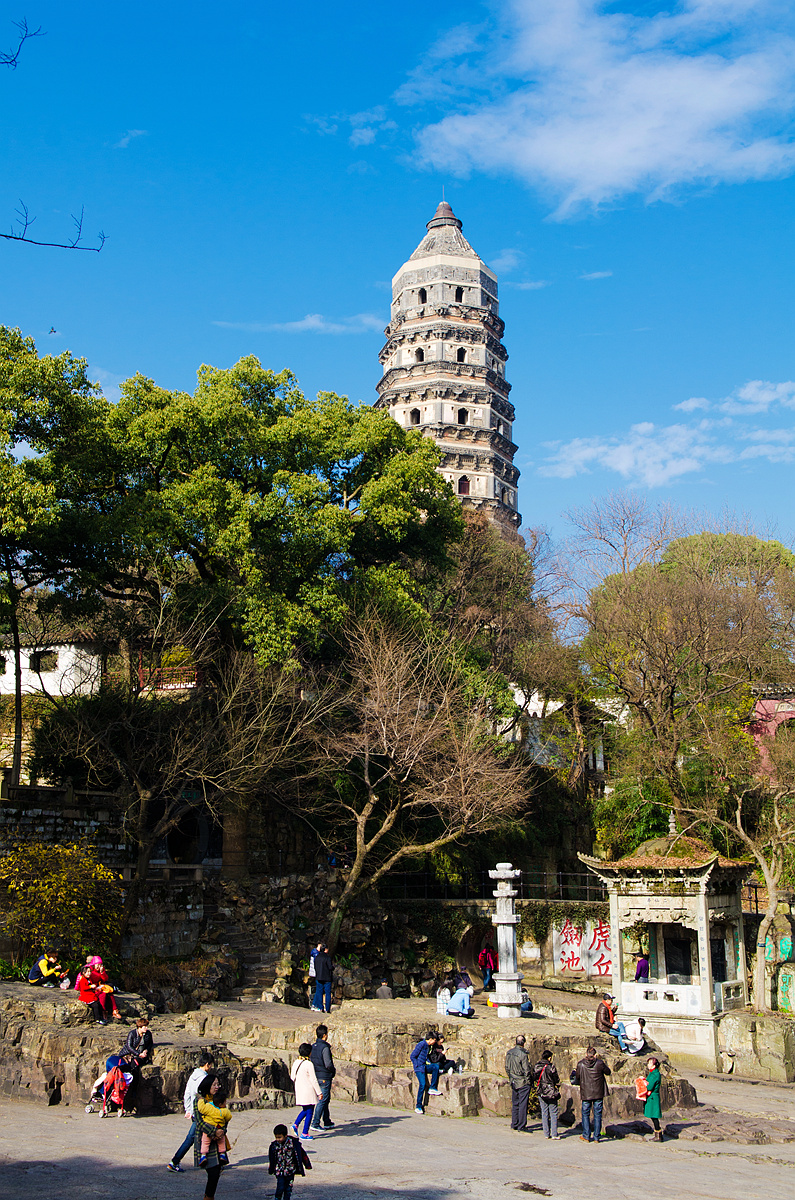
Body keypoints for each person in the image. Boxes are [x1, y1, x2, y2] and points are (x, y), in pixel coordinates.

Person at [168, 1053, 215, 1171]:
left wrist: (188, 1109)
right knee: (192, 1138)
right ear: (207, 1065)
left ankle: (206, 1161)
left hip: (195, 1111)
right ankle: (175, 1161)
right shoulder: (204, 1078)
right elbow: (206, 1097)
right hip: (202, 1113)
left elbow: (187, 1094)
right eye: (210, 1065)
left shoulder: (193, 1075)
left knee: (202, 1137)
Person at [194, 1075, 226, 1200]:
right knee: (212, 1172)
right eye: (214, 1084)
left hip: (219, 1140)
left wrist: (222, 1131)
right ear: (207, 1086)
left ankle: (209, 1196)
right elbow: (199, 1122)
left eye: (218, 1084)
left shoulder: (219, 1099)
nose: (217, 1087)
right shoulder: (199, 1101)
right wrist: (214, 1132)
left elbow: (225, 1116)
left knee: (216, 1171)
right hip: (205, 1140)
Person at [574, 1046, 612, 1143]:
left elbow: (577, 1076)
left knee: (585, 1113)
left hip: (586, 1092)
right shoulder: (599, 1063)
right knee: (597, 1114)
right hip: (598, 1092)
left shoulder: (581, 1064)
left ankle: (586, 1135)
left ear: (586, 1054)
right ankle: (596, 1137)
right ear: (595, 1055)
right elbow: (608, 1072)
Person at [268, 1122, 312, 1200]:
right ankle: (277, 1198)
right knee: (280, 1187)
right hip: (280, 1171)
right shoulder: (274, 1146)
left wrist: (307, 1165)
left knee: (288, 1189)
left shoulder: (293, 1144)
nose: (278, 1139)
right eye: (276, 1137)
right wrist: (271, 1169)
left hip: (290, 1171)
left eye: (279, 1137)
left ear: (285, 1136)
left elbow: (302, 1154)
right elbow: (272, 1159)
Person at [290, 1042, 321, 1140]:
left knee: (306, 1109)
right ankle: (304, 1132)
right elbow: (313, 1079)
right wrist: (319, 1092)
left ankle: (296, 1125)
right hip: (308, 1090)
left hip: (299, 1089)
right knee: (310, 1111)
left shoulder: (296, 1062)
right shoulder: (308, 1064)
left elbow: (292, 1076)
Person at [309, 1024, 336, 1132]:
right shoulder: (324, 1048)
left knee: (325, 1099)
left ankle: (327, 1121)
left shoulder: (313, 1046)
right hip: (324, 1076)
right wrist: (332, 1071)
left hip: (316, 1076)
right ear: (324, 1035)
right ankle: (315, 1123)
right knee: (322, 1100)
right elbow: (328, 1063)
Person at [504, 1034, 532, 1132]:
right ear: (523, 1043)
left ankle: (514, 1123)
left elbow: (507, 1068)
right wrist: (528, 1081)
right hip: (522, 1081)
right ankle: (521, 1125)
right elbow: (526, 1070)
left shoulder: (509, 1053)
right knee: (522, 1104)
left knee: (515, 1103)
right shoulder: (523, 1055)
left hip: (513, 1080)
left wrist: (511, 1077)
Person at [198, 1088, 232, 1166]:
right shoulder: (224, 1111)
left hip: (208, 1129)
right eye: (224, 1103)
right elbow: (229, 1117)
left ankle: (203, 1155)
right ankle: (222, 1154)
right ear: (220, 1104)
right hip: (219, 1128)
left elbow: (201, 1108)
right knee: (222, 1141)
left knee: (205, 1142)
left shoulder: (209, 1108)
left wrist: (200, 1100)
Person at [410, 1033, 441, 1114]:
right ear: (430, 1039)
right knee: (422, 1084)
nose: (435, 1042)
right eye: (434, 1040)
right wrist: (417, 1065)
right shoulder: (421, 1044)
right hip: (419, 1068)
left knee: (435, 1067)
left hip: (424, 1066)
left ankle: (432, 1088)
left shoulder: (428, 1046)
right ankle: (418, 1106)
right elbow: (412, 1056)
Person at [534, 1049, 561, 1140]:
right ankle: (554, 1134)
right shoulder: (551, 1067)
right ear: (549, 1058)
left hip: (541, 1090)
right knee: (553, 1112)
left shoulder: (537, 1066)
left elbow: (534, 1077)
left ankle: (546, 1133)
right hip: (551, 1091)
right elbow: (556, 1079)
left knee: (544, 1112)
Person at [86, 956, 122, 1020]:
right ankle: (103, 1011)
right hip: (93, 988)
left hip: (100, 986)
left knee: (110, 993)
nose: (98, 966)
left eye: (100, 964)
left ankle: (115, 1010)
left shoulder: (101, 969)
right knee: (103, 994)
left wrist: (102, 972)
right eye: (97, 964)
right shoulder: (90, 970)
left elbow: (105, 979)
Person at [643, 1055, 663, 1141]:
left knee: (654, 1116)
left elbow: (649, 1086)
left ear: (654, 1065)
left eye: (650, 1063)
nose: (648, 1064)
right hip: (651, 1097)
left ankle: (658, 1134)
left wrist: (643, 1082)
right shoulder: (653, 1072)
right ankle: (658, 1134)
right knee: (653, 1116)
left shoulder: (655, 1074)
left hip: (653, 1097)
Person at [312, 945, 333, 1014]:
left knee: (319, 992)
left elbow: (315, 967)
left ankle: (321, 1007)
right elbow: (330, 967)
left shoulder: (317, 957)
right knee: (327, 993)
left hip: (319, 977)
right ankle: (327, 1008)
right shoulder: (327, 957)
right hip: (327, 978)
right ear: (326, 950)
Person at [308, 944, 321, 1009]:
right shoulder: (316, 954)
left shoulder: (314, 953)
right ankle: (315, 1004)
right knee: (318, 989)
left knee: (317, 989)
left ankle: (314, 1004)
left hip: (314, 973)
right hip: (317, 973)